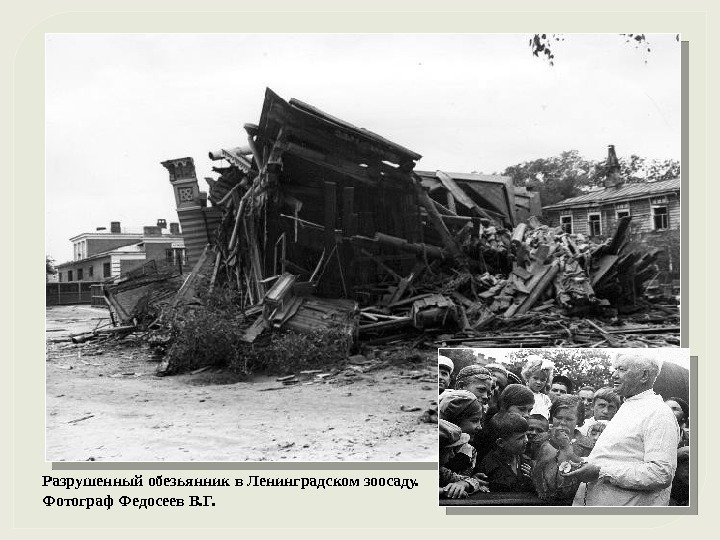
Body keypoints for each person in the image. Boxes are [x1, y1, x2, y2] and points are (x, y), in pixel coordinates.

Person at [565, 353, 681, 506]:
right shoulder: (629, 405)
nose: (614, 375)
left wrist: (601, 471)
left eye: (621, 370)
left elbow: (660, 473)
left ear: (644, 375)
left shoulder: (658, 412)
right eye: (615, 369)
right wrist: (583, 464)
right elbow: (618, 456)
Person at [531, 394, 589, 503]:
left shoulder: (587, 446)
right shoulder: (539, 441)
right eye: (558, 417)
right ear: (552, 416)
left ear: (579, 420)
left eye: (569, 419)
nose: (562, 422)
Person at [478, 412, 534, 493]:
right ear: (500, 442)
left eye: (526, 435)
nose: (527, 440)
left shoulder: (527, 462)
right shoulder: (488, 467)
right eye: (521, 438)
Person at [439, 419, 485, 499]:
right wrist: (444, 491)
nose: (452, 455)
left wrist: (463, 484)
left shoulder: (441, 471)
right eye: (449, 451)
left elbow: (474, 482)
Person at [521, 355, 553, 419]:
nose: (538, 382)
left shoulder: (545, 399)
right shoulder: (521, 393)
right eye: (535, 378)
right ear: (528, 377)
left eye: (543, 380)